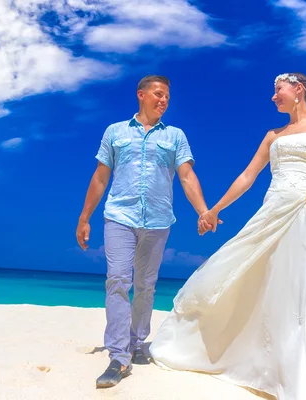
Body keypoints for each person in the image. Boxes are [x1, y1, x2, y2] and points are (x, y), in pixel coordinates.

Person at [149, 72, 306, 399]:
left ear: (298, 90)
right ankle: (267, 365)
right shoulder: (273, 135)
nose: (274, 97)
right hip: (274, 211)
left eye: (278, 90)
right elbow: (247, 176)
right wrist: (214, 209)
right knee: (267, 281)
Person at [76, 75, 216, 389]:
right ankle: (118, 355)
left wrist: (203, 211)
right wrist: (85, 217)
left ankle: (138, 341)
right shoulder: (115, 131)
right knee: (118, 280)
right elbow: (100, 177)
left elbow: (187, 175)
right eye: (158, 94)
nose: (163, 100)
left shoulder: (176, 135)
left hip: (158, 220)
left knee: (146, 285)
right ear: (141, 95)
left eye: (167, 96)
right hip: (119, 217)